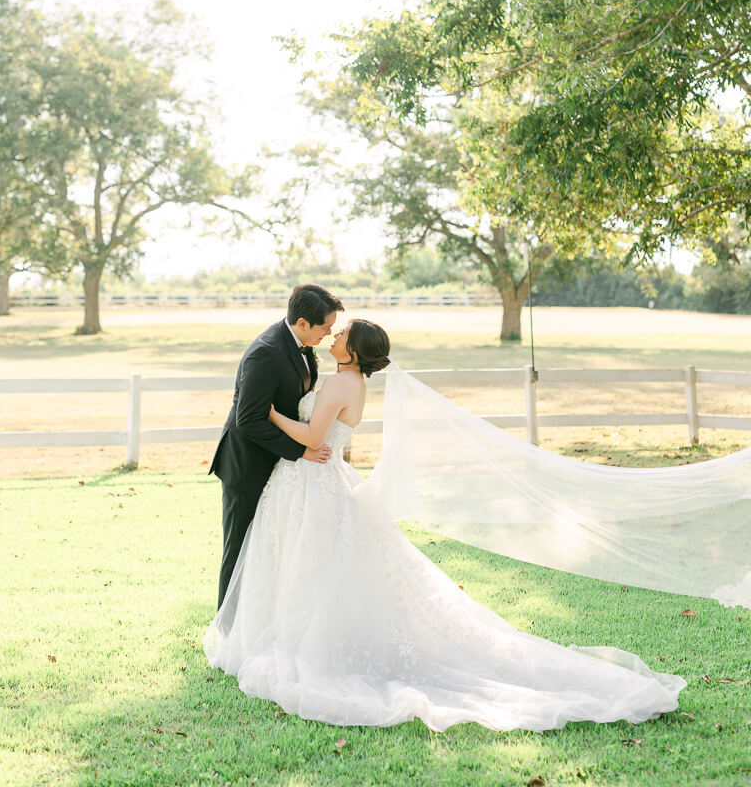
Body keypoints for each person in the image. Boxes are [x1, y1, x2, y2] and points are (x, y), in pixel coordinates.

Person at [203, 319, 685, 733]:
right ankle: (288, 632)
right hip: (313, 482)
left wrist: (268, 412)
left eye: (342, 333)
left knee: (310, 565)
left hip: (313, 477)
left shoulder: (337, 385)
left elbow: (312, 436)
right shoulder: (351, 382)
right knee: (310, 564)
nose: (334, 335)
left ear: (354, 351)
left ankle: (302, 644)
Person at [208, 283, 343, 607]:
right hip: (247, 466)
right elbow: (249, 419)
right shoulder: (266, 352)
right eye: (325, 327)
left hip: (279, 466)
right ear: (302, 323)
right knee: (239, 550)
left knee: (267, 550)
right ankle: (226, 629)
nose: (328, 333)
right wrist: (302, 451)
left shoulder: (301, 345)